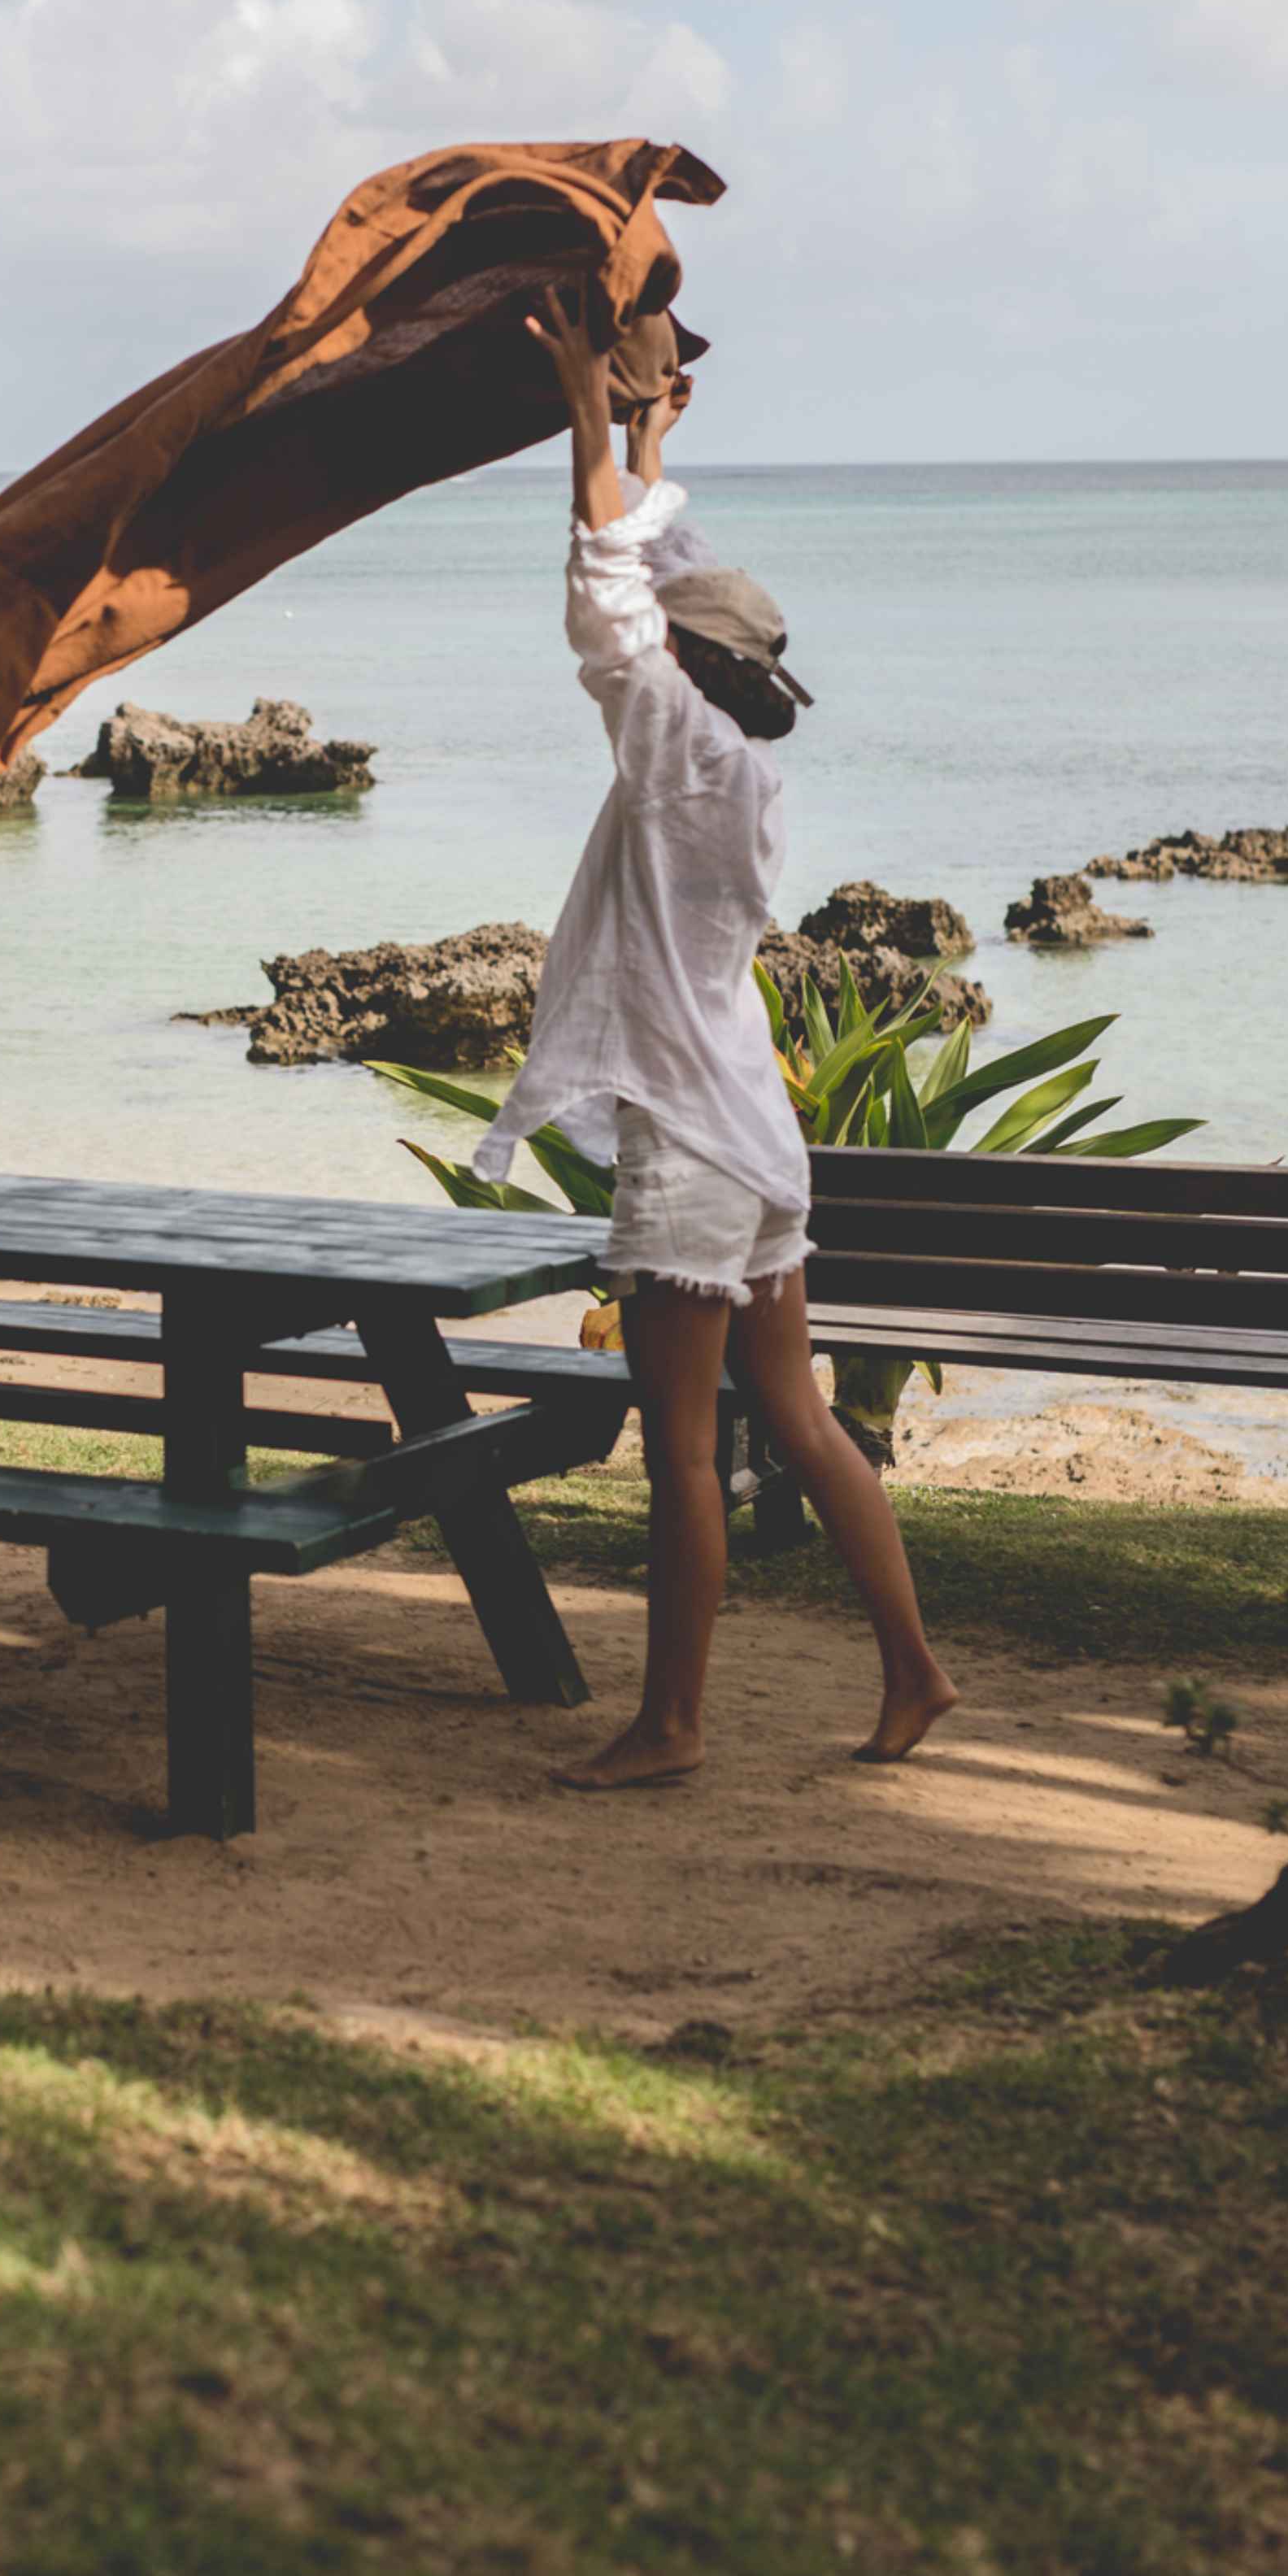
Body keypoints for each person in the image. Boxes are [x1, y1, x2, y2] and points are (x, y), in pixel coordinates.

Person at [474, 285, 957, 1789]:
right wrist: (640, 428)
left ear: (691, 668)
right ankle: (918, 1672)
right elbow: (656, 567)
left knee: (686, 1451)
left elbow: (613, 606)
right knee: (803, 1422)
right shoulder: (731, 753)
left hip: (691, 1147)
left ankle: (672, 1725)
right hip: (753, 1131)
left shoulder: (678, 751)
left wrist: (579, 417)